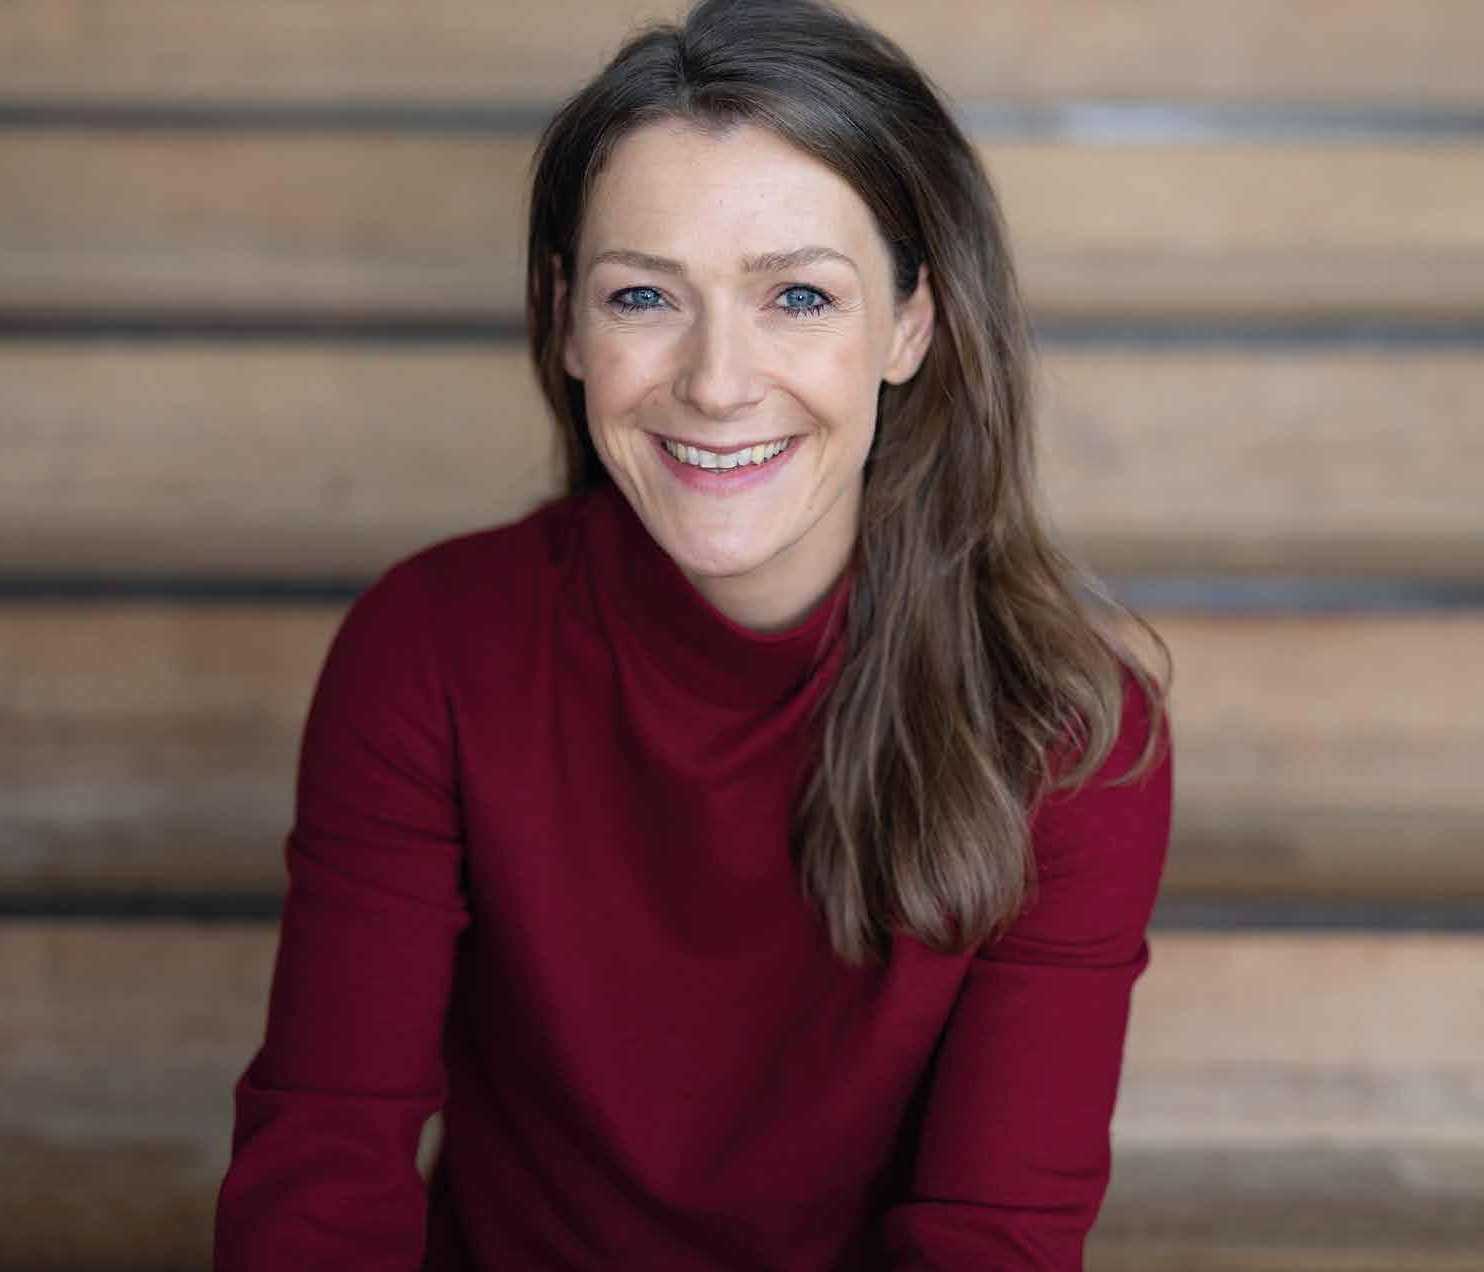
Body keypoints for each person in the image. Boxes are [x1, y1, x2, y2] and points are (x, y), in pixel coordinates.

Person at [213, 0, 1175, 1267]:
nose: (716, 384)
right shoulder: (431, 649)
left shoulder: (1065, 731)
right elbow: (327, 1159)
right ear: (566, 320)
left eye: (797, 296)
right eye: (642, 296)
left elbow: (989, 1239)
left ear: (909, 325)